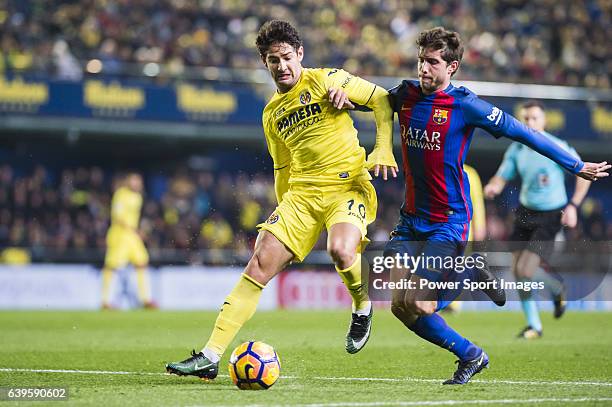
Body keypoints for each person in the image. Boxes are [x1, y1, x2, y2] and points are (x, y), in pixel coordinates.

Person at [369, 27, 607, 385]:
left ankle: (466, 276)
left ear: (452, 67)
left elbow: (524, 134)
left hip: (447, 221)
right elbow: (368, 97)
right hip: (410, 219)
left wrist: (575, 166)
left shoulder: (467, 106)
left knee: (420, 303)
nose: (423, 69)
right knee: (399, 305)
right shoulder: (405, 94)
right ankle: (471, 355)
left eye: (432, 63)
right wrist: (338, 91)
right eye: (421, 61)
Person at [165, 19, 398, 380]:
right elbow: (282, 165)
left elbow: (383, 99)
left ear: (300, 54)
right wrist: (282, 212)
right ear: (265, 63)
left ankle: (362, 305)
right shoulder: (271, 113)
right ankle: (210, 356)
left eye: (287, 57)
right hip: (300, 197)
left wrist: (382, 147)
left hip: (346, 186)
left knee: (340, 249)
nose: (282, 66)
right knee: (258, 263)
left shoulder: (327, 79)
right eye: (274, 60)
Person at [484, 100, 593, 339]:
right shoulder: (517, 149)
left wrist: (573, 205)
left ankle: (555, 290)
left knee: (525, 269)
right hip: (525, 212)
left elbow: (584, 174)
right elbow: (502, 176)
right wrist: (494, 186)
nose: (530, 123)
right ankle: (535, 323)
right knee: (516, 269)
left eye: (534, 118)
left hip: (551, 215)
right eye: (526, 118)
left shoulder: (556, 146)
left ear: (544, 121)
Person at [101, 172, 155, 309]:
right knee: (111, 267)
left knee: (142, 263)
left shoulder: (138, 197)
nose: (136, 184)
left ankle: (146, 300)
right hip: (120, 235)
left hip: (132, 236)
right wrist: (135, 231)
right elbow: (117, 216)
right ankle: (106, 301)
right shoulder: (120, 194)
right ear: (128, 182)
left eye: (138, 181)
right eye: (134, 181)